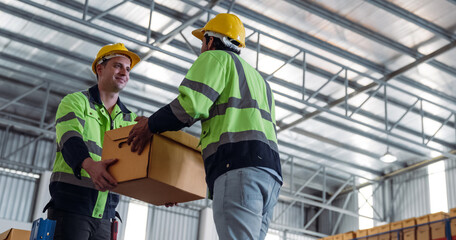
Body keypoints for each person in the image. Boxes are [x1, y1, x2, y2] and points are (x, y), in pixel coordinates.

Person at [127, 13, 282, 240]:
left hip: (238, 169)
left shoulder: (215, 59)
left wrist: (150, 125)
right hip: (270, 176)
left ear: (210, 40)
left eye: (202, 41)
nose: (202, 47)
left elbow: (189, 107)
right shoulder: (260, 81)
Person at [46, 43, 140, 239]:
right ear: (100, 68)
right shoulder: (75, 101)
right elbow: (69, 138)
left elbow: (137, 165)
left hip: (107, 215)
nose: (124, 72)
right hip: (71, 207)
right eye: (117, 66)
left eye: (128, 69)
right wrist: (89, 165)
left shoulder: (130, 119)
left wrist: (161, 193)